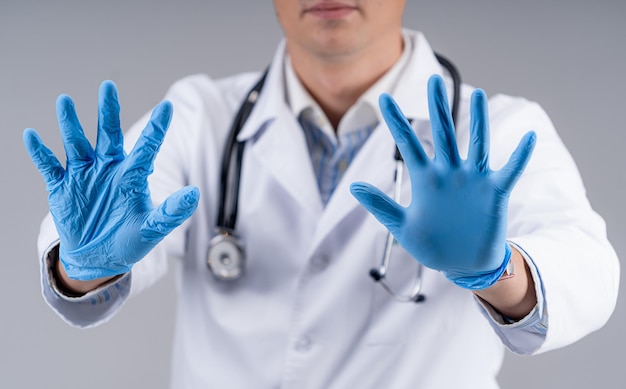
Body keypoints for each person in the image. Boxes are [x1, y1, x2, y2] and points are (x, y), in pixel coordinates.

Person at [23, 1, 619, 388]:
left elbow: (588, 270)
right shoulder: (200, 118)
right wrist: (82, 265)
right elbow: (119, 216)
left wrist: (497, 270)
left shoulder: (502, 130)